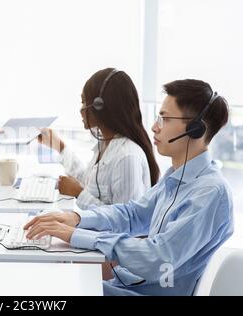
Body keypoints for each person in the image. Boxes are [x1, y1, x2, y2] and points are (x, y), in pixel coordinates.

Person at [25, 79, 234, 296]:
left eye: (165, 118)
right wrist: (77, 220)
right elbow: (132, 214)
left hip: (146, 293)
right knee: (44, 282)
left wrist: (76, 235)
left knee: (47, 291)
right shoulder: (176, 178)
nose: (155, 126)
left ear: (195, 129)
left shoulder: (209, 193)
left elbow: (158, 257)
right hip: (129, 284)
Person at [39, 68, 159, 209]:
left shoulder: (126, 158)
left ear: (99, 105)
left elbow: (125, 221)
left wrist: (79, 193)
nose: (81, 109)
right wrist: (59, 146)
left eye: (84, 102)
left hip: (105, 231)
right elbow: (89, 182)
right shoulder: (105, 145)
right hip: (91, 229)